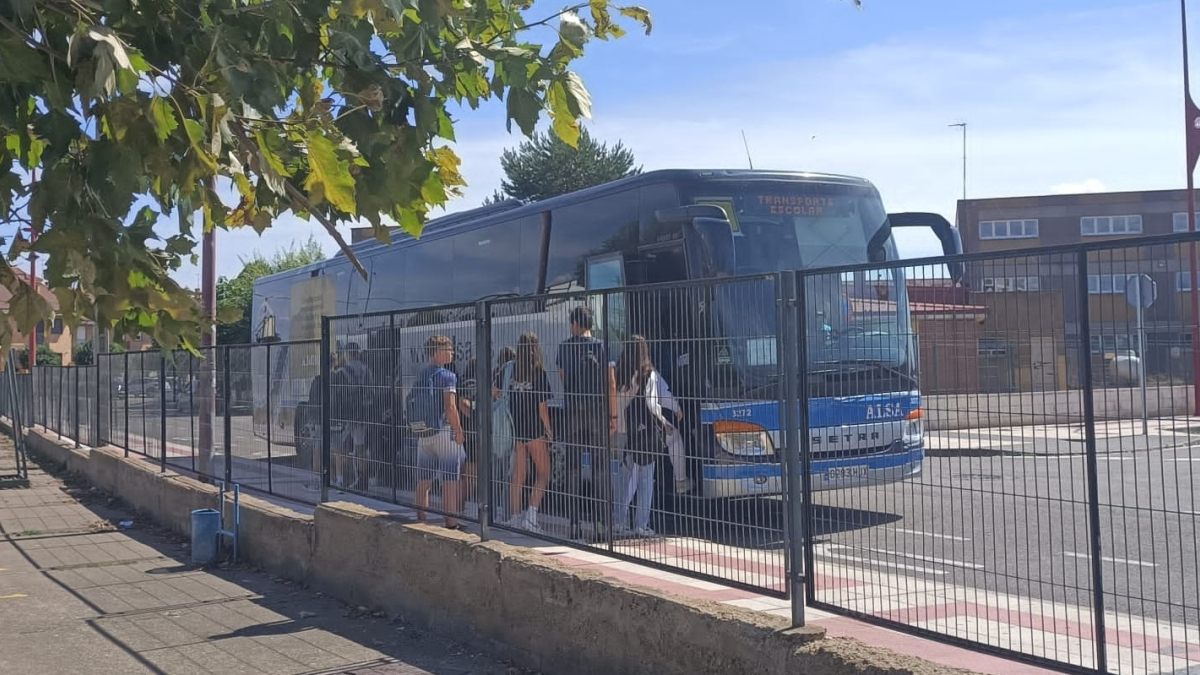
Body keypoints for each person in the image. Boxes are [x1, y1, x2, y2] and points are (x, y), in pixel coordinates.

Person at [556, 305, 618, 542]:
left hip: (572, 412)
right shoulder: (603, 346)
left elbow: (562, 376)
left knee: (573, 469)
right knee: (600, 469)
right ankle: (602, 525)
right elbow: (611, 383)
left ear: (575, 323)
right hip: (598, 413)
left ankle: (574, 524)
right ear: (591, 324)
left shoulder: (564, 347)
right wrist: (613, 416)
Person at [613, 335, 676, 538]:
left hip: (622, 430)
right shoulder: (648, 374)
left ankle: (619, 521)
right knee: (646, 478)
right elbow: (651, 404)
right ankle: (641, 523)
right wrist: (664, 422)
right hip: (643, 433)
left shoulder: (618, 371)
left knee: (624, 477)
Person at [412, 335, 466, 530]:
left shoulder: (422, 374)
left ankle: (420, 518)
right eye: (449, 349)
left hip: (424, 431)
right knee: (450, 479)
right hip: (444, 431)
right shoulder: (448, 376)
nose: (452, 353)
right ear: (438, 352)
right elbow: (450, 407)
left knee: (424, 479)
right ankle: (451, 522)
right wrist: (459, 430)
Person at [504, 333, 553, 533]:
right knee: (544, 473)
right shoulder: (538, 373)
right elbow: (542, 408)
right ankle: (531, 516)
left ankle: (515, 517)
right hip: (534, 429)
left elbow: (495, 391)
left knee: (518, 475)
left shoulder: (511, 370)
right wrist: (549, 430)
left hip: (516, 430)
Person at [331, 343, 371, 492]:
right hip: (362, 413)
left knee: (340, 447)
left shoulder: (341, 372)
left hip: (346, 414)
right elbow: (371, 390)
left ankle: (343, 478)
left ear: (348, 354)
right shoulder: (366, 370)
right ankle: (362, 480)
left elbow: (336, 395)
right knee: (360, 448)